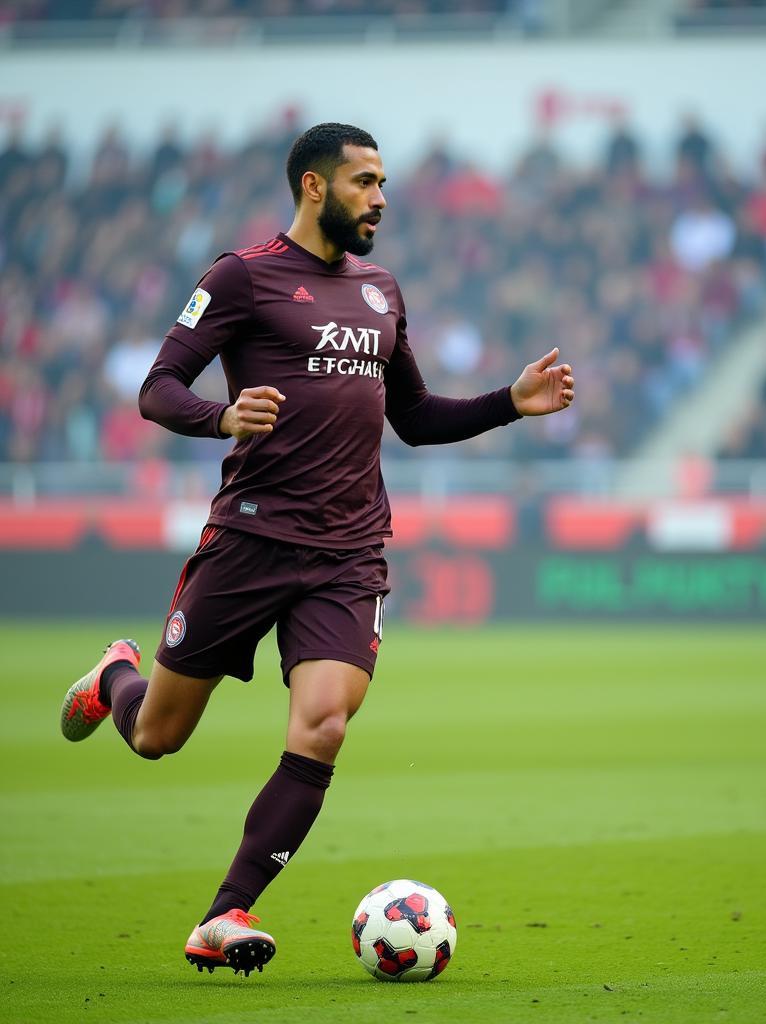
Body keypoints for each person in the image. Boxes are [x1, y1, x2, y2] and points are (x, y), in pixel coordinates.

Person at [59, 123, 574, 975]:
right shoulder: (242, 277)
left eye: (383, 183)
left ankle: (225, 912)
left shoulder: (382, 290)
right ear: (313, 186)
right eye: (365, 182)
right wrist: (220, 416)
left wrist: (508, 404)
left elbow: (413, 419)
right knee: (156, 737)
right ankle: (116, 674)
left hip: (347, 551)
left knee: (325, 722)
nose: (380, 198)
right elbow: (156, 389)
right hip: (251, 538)